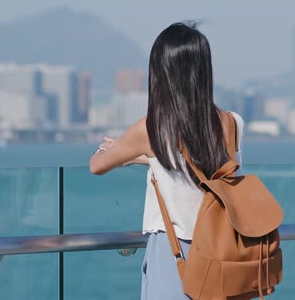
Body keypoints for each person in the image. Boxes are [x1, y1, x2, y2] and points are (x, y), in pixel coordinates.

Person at [89, 22, 244, 299]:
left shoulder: (151, 128)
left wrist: (110, 151)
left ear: (162, 73)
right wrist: (143, 159)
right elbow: (199, 169)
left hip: (175, 254)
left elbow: (97, 166)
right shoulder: (231, 123)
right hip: (224, 249)